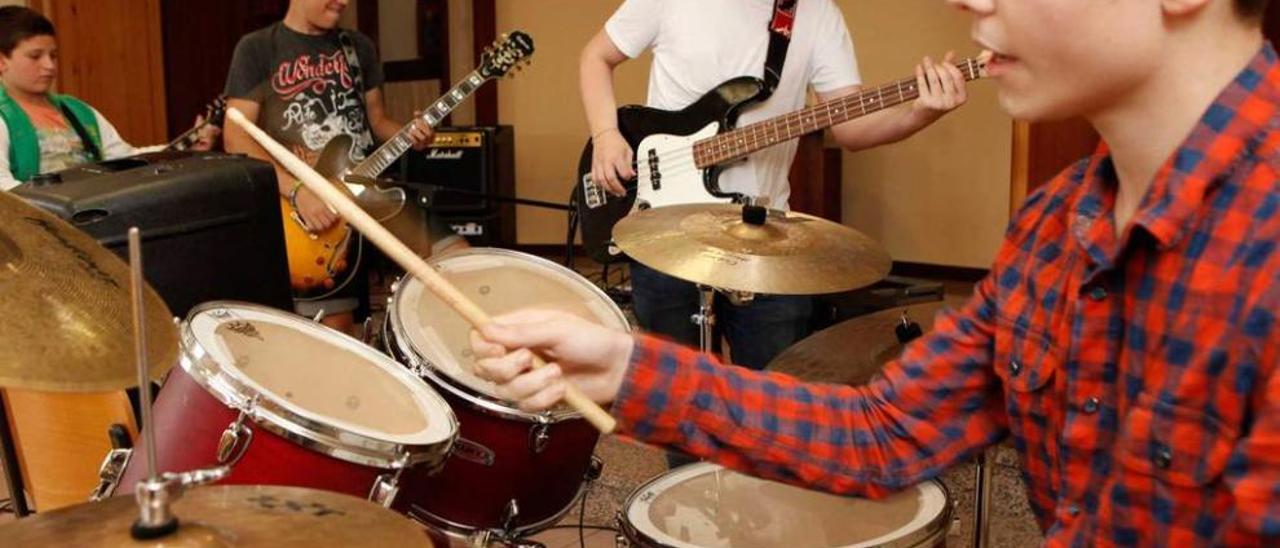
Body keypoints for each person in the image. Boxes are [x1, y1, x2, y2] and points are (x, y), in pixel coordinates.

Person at [474, 0, 1280, 543]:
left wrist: (923, 107)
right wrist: (624, 366)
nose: (968, 2)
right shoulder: (1050, 231)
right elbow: (881, 432)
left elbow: (851, 122)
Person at [580, 0, 970, 374]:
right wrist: (606, 134)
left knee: (772, 389)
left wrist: (921, 112)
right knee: (679, 396)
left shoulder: (816, 13)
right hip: (665, 228)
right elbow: (595, 57)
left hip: (766, 235)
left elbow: (851, 127)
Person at [223, 0, 463, 334]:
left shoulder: (358, 47)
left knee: (459, 260)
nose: (343, 1)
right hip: (308, 208)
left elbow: (377, 121)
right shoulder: (258, 48)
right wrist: (297, 190)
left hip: (365, 189)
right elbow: (235, 136)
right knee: (336, 330)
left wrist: (414, 135)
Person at [0, 6, 217, 191]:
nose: (49, 65)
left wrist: (185, 151)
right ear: (2, 62)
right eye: (35, 56)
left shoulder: (77, 110)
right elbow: (4, 188)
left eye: (53, 56)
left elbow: (125, 160)